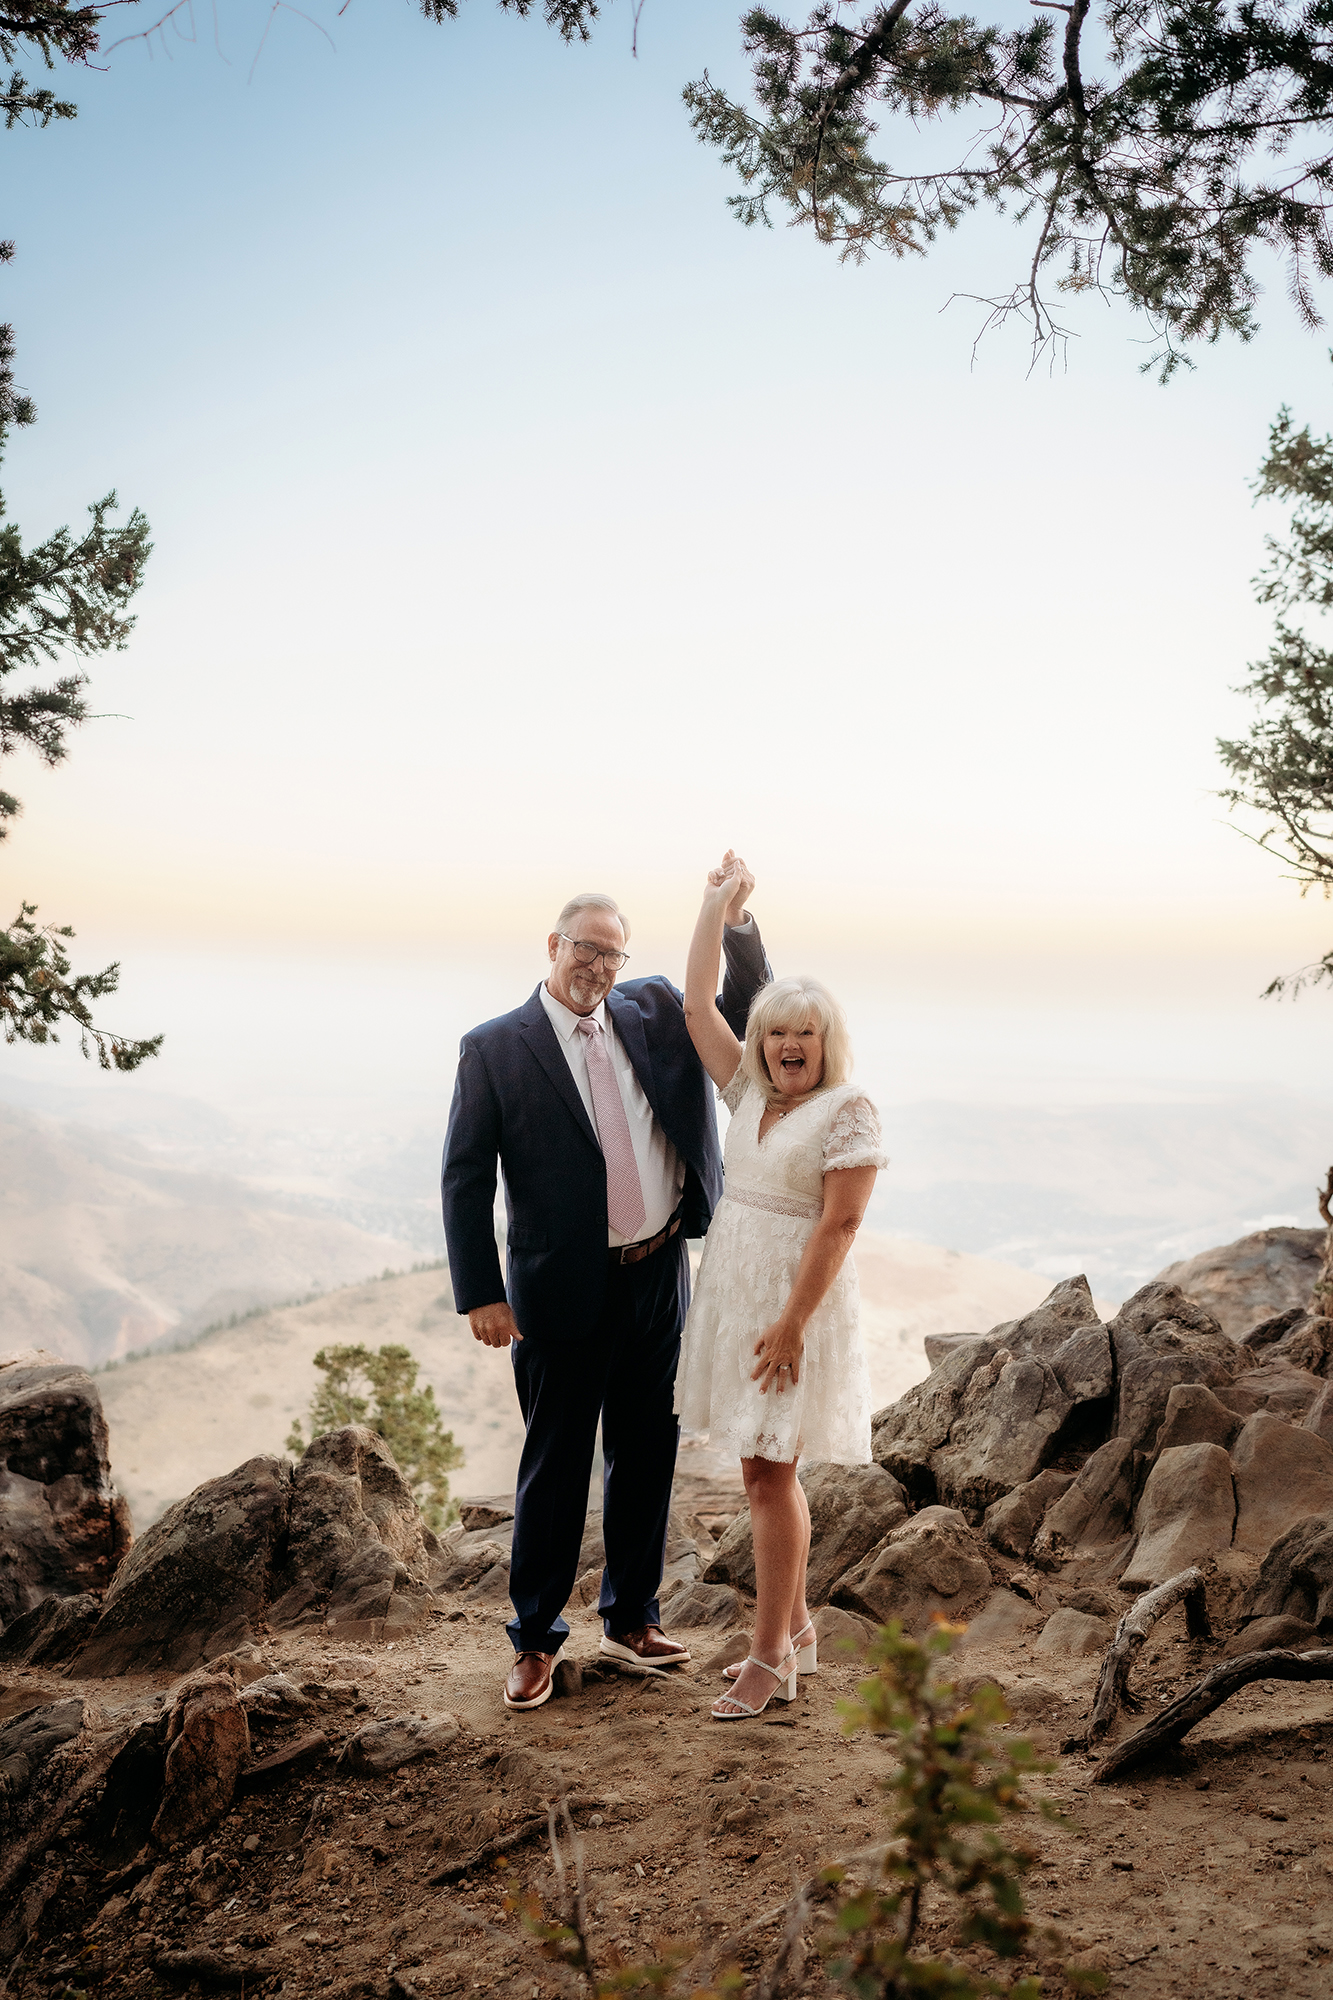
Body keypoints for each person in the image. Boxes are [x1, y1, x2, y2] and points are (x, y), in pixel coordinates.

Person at [440, 858, 772, 1712]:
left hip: (660, 1272)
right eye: (584, 949)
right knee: (554, 1468)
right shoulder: (493, 1048)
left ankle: (632, 1616)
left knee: (646, 1451)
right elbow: (465, 1177)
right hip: (559, 1292)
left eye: (611, 955)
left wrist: (734, 925)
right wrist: (481, 1292)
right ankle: (534, 1640)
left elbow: (747, 1011)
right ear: (553, 946)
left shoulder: (659, 1007)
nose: (597, 967)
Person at [677, 864, 886, 1721]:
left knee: (768, 1474)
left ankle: (768, 1657)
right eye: (774, 1034)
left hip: (792, 1311)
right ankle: (793, 1631)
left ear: (824, 1041)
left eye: (803, 1033)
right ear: (759, 1042)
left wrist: (793, 1324)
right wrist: (711, 908)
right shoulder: (747, 1093)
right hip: (735, 1297)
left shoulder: (849, 1110)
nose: (786, 1046)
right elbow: (696, 1007)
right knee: (755, 1466)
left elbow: (838, 1227)